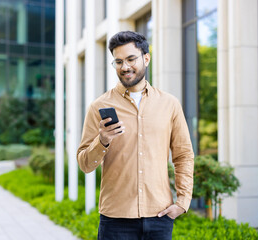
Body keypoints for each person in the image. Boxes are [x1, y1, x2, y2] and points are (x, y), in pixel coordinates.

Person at [77, 31, 194, 240]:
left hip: (160, 217)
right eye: (119, 61)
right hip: (115, 220)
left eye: (131, 59)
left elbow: (183, 155)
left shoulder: (169, 104)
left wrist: (183, 202)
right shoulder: (99, 106)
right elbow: (85, 164)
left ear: (146, 58)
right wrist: (102, 140)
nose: (125, 67)